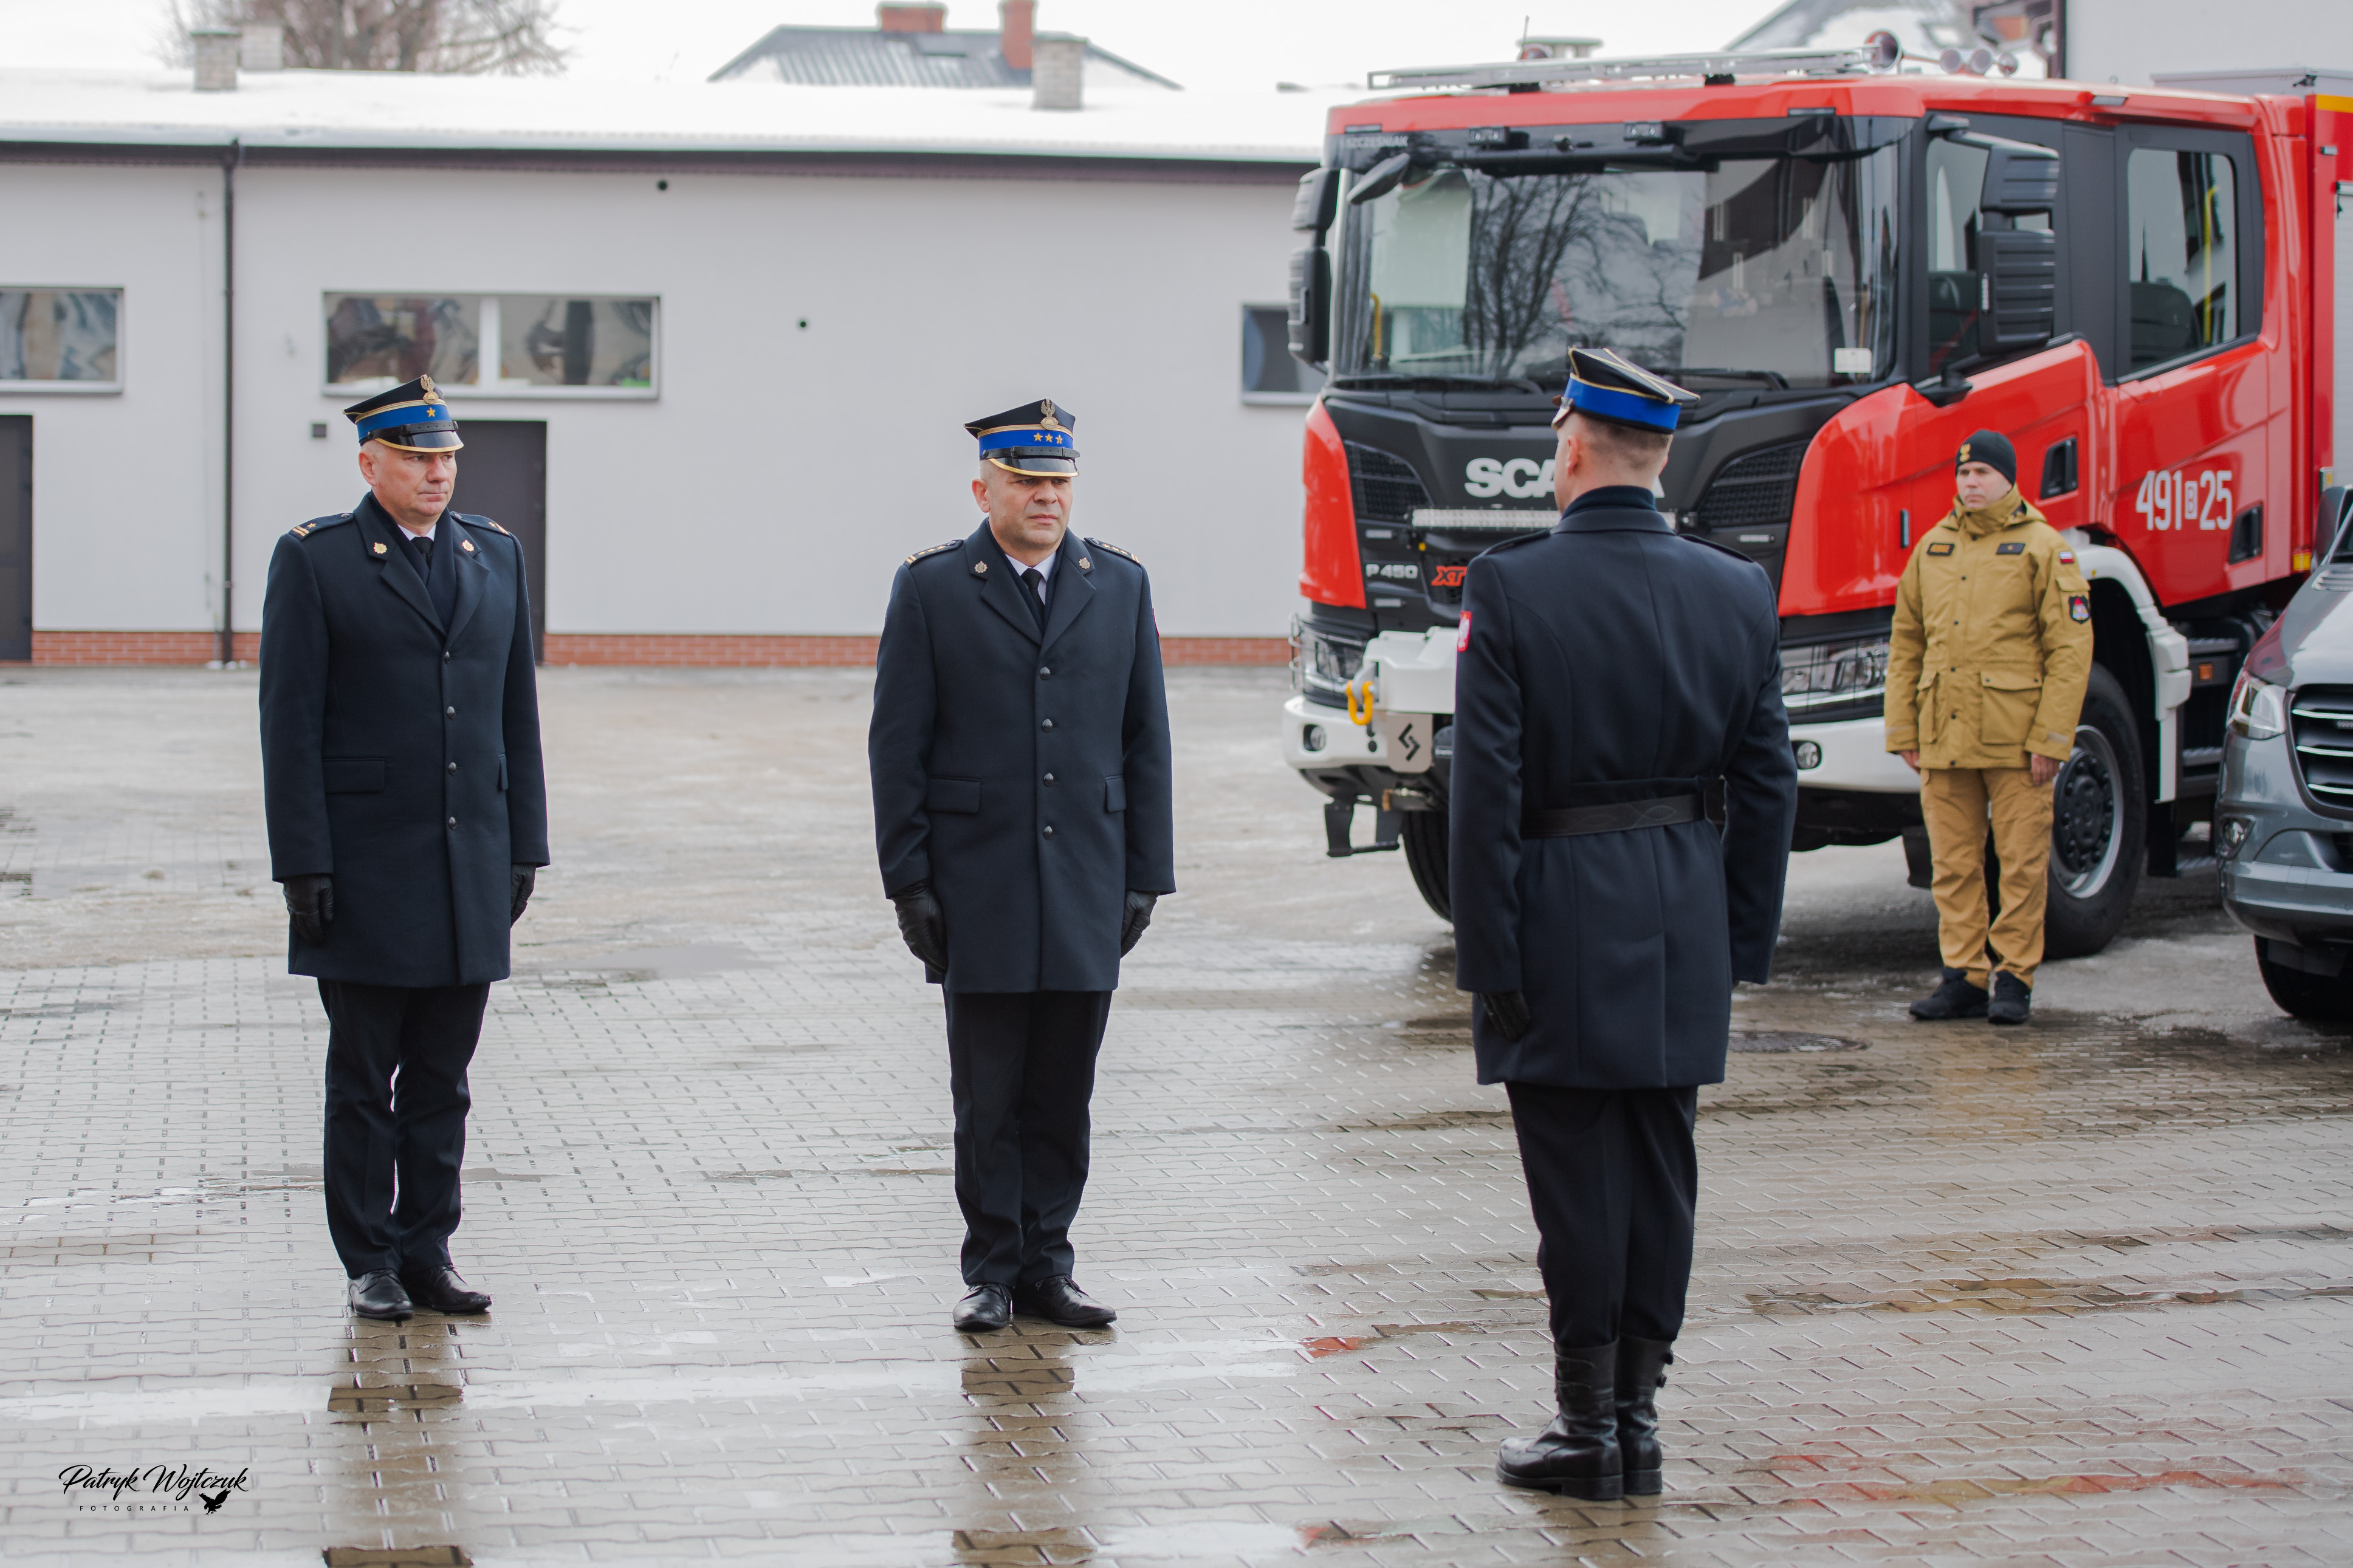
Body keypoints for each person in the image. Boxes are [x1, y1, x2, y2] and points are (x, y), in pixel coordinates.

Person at [1451, 348, 1799, 1501]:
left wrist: (1489, 954)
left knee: (1576, 1184)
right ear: (1661, 459)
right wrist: (1737, 940)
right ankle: (1640, 1423)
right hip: (1683, 916)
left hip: (1555, 914)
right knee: (1660, 1173)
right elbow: (1767, 786)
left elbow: (1485, 793)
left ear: (1570, 449)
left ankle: (1586, 1427)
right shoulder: (1736, 588)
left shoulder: (1511, 586)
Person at [868, 399, 1175, 1333]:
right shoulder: (932, 588)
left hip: (1088, 880)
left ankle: (1050, 1265)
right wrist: (909, 881)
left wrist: (1146, 875)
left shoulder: (1119, 584)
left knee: (1063, 1093)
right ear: (984, 490)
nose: (1046, 497)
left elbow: (1147, 740)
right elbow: (897, 747)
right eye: (1026, 481)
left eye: (1058, 482)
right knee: (989, 1093)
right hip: (979, 885)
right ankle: (993, 1268)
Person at [259, 375, 548, 1323]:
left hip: (470, 865)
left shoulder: (494, 553)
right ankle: (369, 1258)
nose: (437, 473)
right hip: (367, 868)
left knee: (442, 1080)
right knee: (363, 1079)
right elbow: (289, 725)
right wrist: (302, 863)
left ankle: (428, 1249)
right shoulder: (317, 560)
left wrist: (526, 844)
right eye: (417, 458)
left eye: (447, 456)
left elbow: (516, 714)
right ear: (369, 464)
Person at [1884, 430, 2092, 1027]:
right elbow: (1906, 643)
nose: (1970, 482)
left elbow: (2069, 651)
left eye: (1982, 472)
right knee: (1952, 864)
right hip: (1944, 737)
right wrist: (1903, 728)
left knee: (2020, 863)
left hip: (2016, 741)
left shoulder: (2044, 548)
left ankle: (2014, 978)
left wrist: (2051, 738)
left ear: (2008, 478)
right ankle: (1964, 977)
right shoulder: (1931, 548)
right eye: (1963, 472)